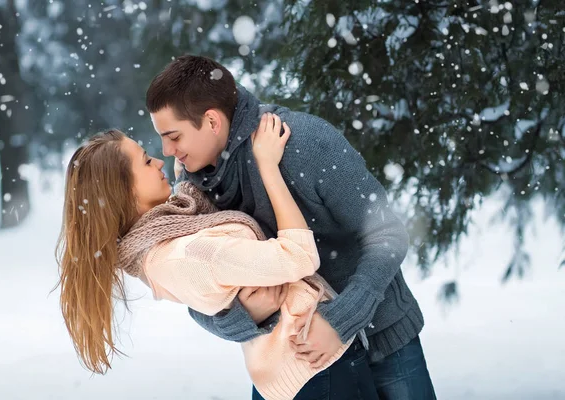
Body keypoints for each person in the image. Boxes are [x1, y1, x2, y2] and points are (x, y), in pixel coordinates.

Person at [146, 55, 436, 399]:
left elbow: (386, 234)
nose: (166, 150)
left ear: (211, 121)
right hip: (296, 367)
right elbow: (198, 295)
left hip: (384, 340)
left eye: (173, 136)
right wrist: (244, 315)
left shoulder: (303, 143)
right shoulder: (195, 192)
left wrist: (341, 320)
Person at [55, 117, 379, 399]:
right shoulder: (184, 255)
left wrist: (188, 170)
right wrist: (267, 166)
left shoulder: (162, 236)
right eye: (144, 161)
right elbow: (298, 256)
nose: (158, 161)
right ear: (124, 192)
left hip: (297, 364)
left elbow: (201, 228)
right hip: (314, 369)